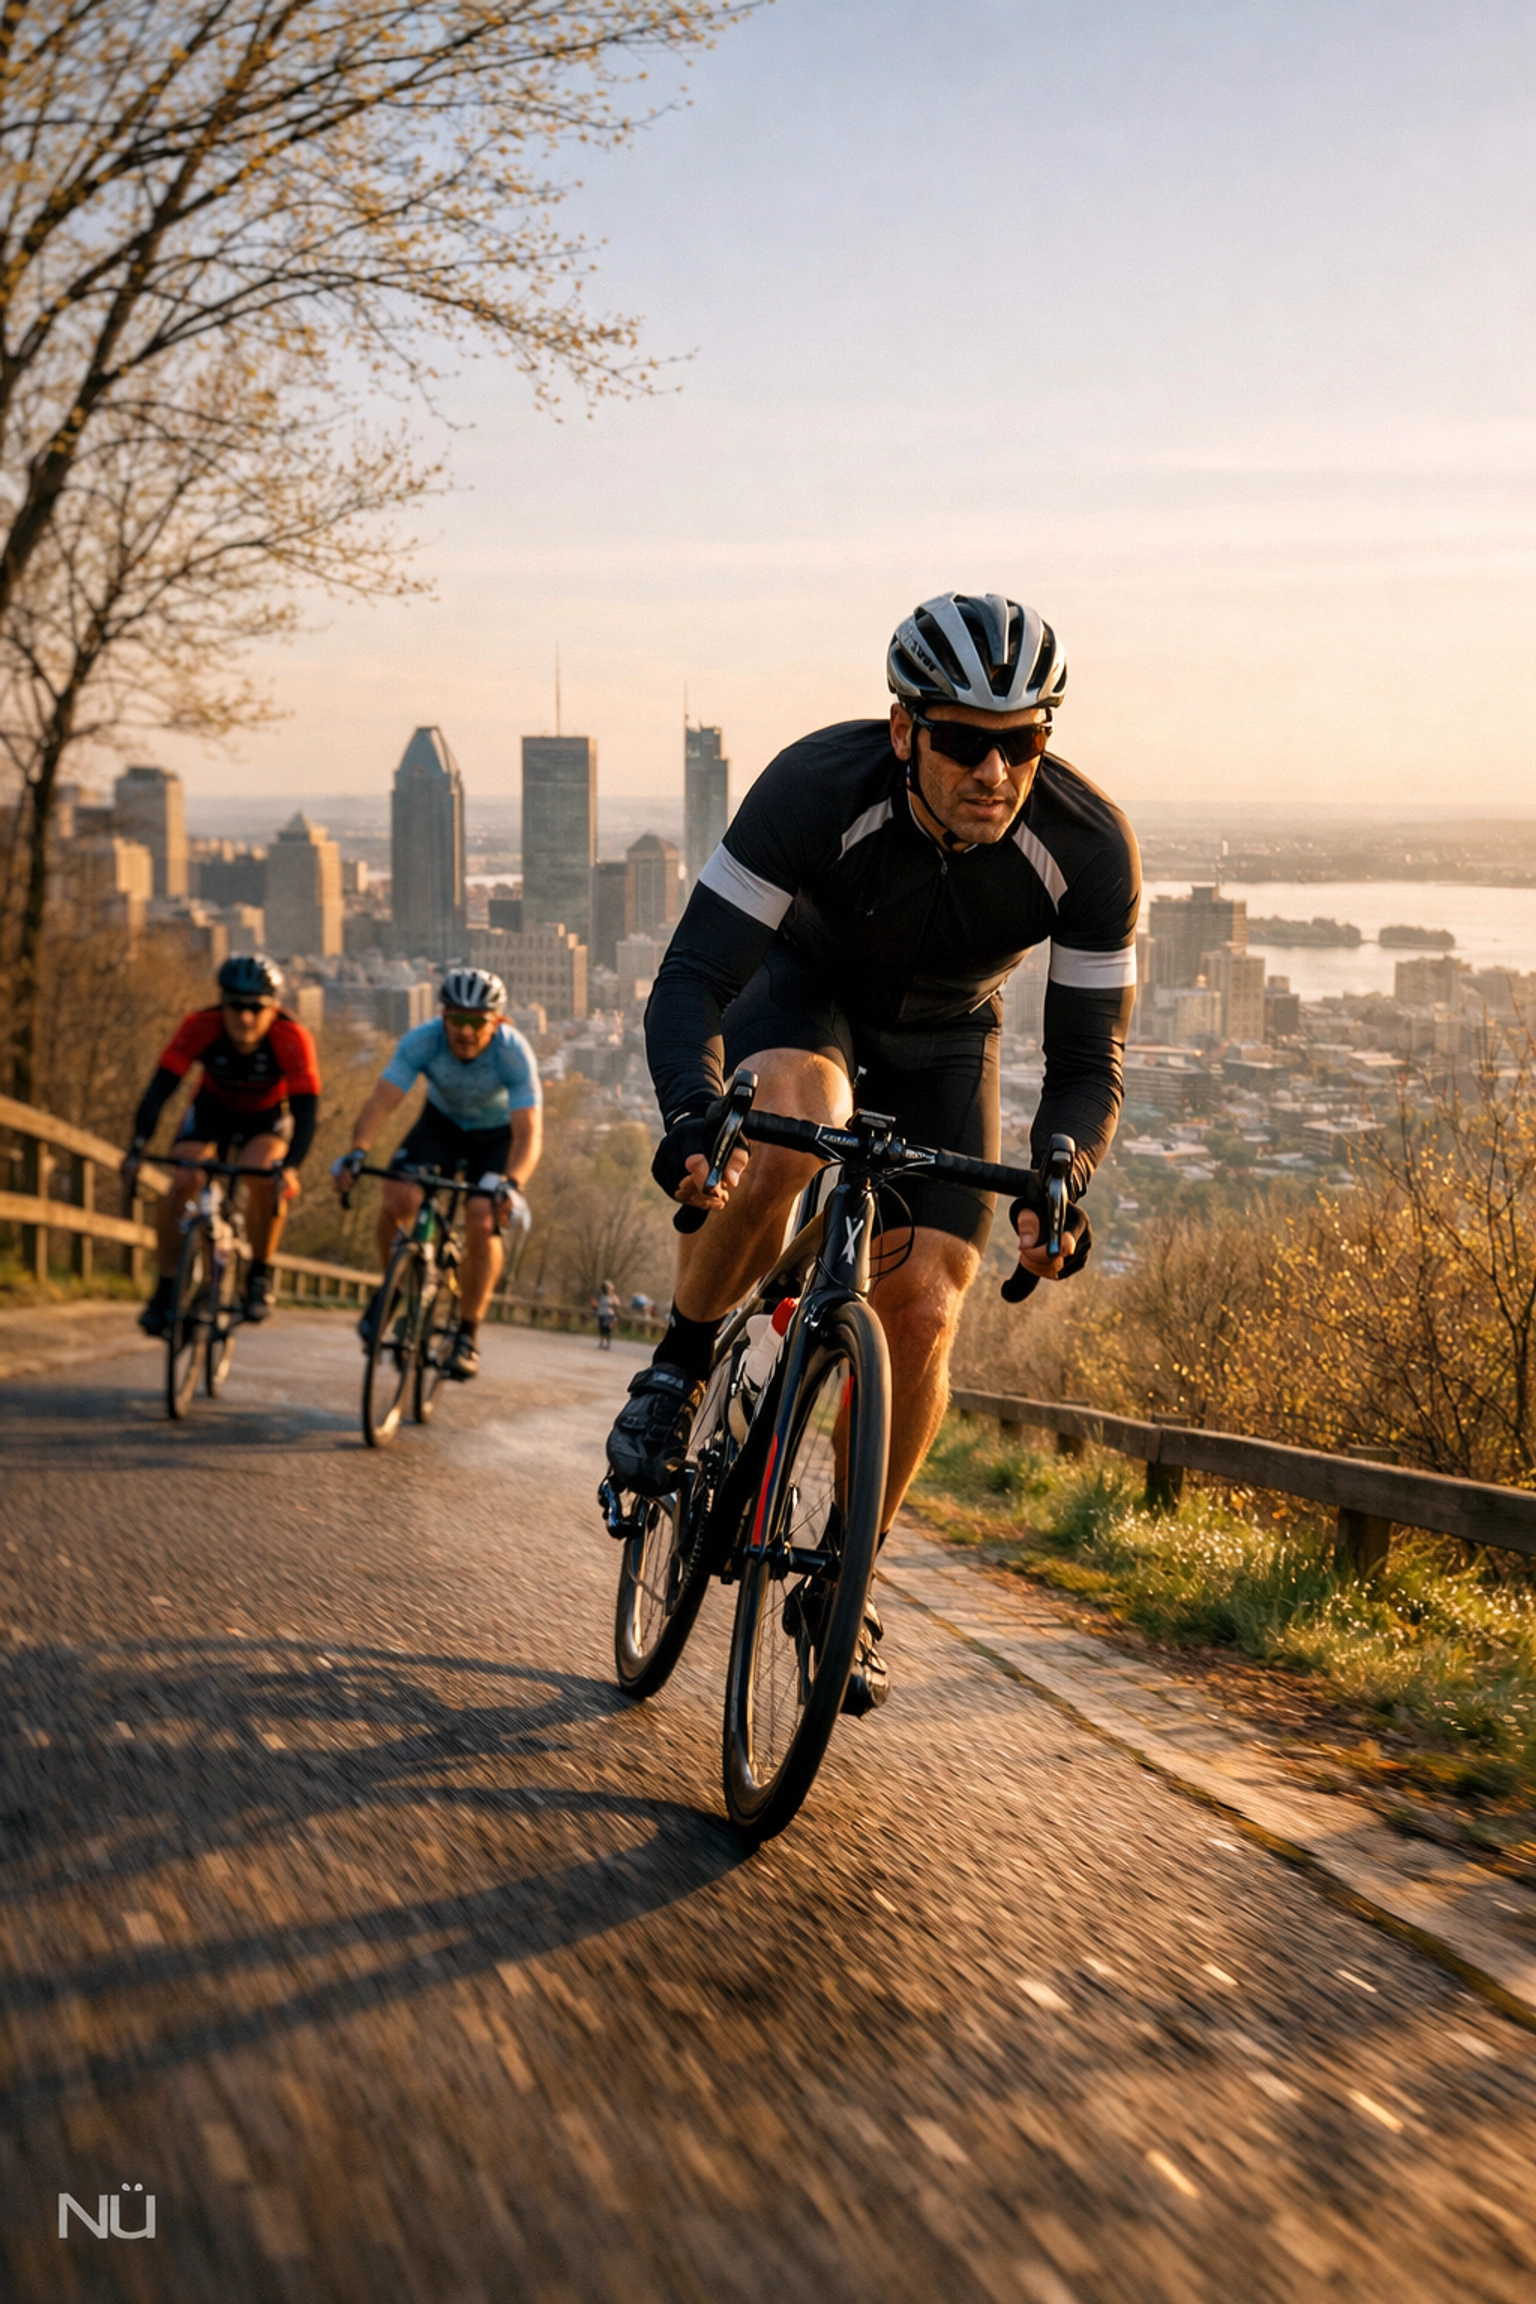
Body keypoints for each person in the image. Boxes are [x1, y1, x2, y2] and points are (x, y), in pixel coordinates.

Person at [606, 591, 1139, 1711]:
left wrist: (1062, 1177)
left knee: (933, 1303)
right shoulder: (816, 785)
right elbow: (695, 978)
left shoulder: (1086, 847)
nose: (994, 773)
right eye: (962, 742)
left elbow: (1088, 1065)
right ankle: (681, 1362)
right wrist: (699, 1118)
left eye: (1023, 745)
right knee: (800, 1119)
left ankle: (848, 1573)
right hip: (801, 993)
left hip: (949, 1037)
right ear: (905, 731)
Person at [333, 966, 540, 1382]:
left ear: (495, 1022)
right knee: (395, 1198)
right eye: (456, 1020)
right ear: (442, 1016)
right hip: (440, 1127)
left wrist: (511, 1184)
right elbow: (381, 1102)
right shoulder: (422, 1040)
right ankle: (392, 1291)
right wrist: (358, 1151)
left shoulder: (513, 1052)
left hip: (494, 1139)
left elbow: (528, 1132)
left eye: (476, 1022)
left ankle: (467, 1334)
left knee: (482, 1218)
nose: (464, 1031)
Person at [123, 953, 322, 1335]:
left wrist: (291, 1167)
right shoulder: (201, 1025)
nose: (244, 1018)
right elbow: (160, 1089)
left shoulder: (291, 1038)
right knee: (182, 1180)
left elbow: (306, 1111)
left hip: (266, 1116)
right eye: (234, 1006)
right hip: (212, 1108)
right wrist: (138, 1145)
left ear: (273, 1009)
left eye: (255, 1008)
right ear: (222, 1004)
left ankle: (259, 1275)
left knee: (264, 1175)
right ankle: (165, 1289)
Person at [594, 1280, 620, 1350]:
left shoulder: (612, 1296)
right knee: (602, 1329)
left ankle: (607, 1344)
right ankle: (602, 1342)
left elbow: (617, 1304)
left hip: (608, 1314)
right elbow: (595, 1303)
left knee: (607, 1330)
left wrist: (613, 1301)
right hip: (601, 1314)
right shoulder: (601, 1296)